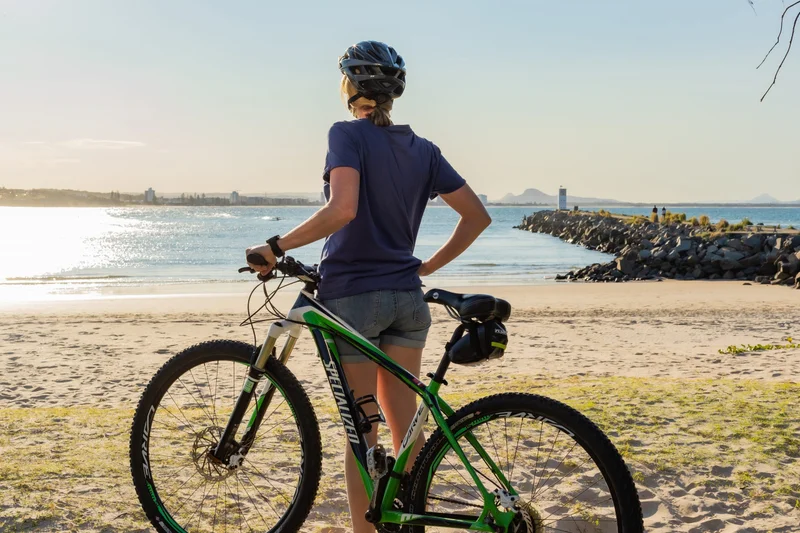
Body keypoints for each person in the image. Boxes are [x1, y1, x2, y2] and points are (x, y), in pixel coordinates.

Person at [245, 41, 491, 533]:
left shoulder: (346, 134)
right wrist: (425, 267)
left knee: (364, 436)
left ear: (352, 88)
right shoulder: (423, 150)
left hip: (353, 299)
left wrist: (276, 246)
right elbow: (477, 216)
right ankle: (409, 521)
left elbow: (343, 209)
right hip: (406, 299)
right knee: (408, 432)